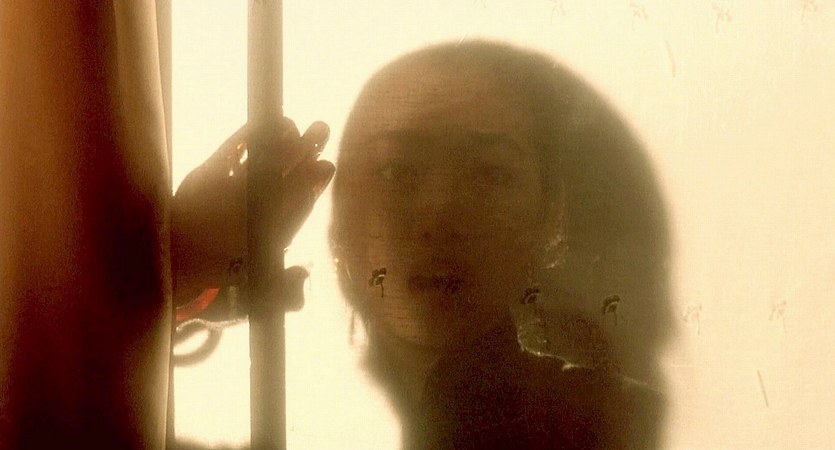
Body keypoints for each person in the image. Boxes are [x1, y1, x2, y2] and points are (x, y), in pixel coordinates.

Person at [173, 40, 671, 449]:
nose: (440, 215)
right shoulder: (259, 416)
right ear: (337, 213)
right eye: (396, 171)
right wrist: (179, 271)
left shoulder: (623, 427)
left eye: (490, 174)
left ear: (550, 216)